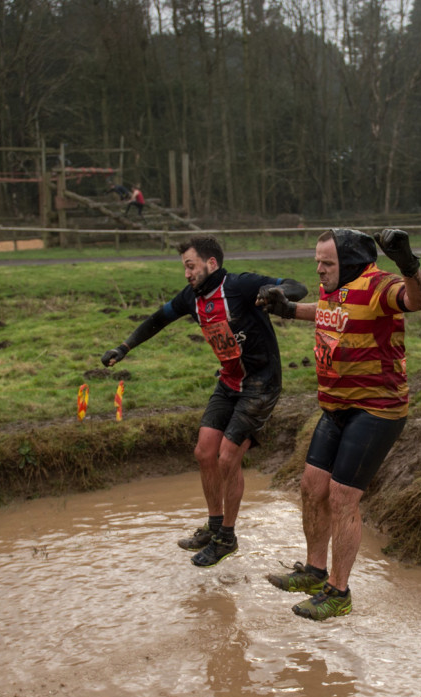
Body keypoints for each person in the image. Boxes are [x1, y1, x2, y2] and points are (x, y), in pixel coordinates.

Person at [256, 228, 421, 620]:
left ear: (350, 262)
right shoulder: (337, 288)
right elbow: (328, 312)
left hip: (376, 409)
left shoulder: (380, 284)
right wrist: (286, 309)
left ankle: (339, 592)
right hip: (335, 407)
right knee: (311, 487)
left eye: (327, 262)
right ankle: (315, 573)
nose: (319, 269)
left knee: (341, 496)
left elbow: (419, 300)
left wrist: (408, 264)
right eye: (317, 261)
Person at [100, 235, 307, 568]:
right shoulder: (191, 298)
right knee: (204, 451)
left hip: (261, 384)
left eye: (190, 265)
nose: (186, 273)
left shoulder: (241, 286)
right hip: (228, 382)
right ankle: (213, 527)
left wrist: (278, 293)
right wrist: (123, 348)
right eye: (184, 266)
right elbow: (157, 319)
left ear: (212, 264)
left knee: (228, 457)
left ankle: (227, 538)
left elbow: (297, 286)